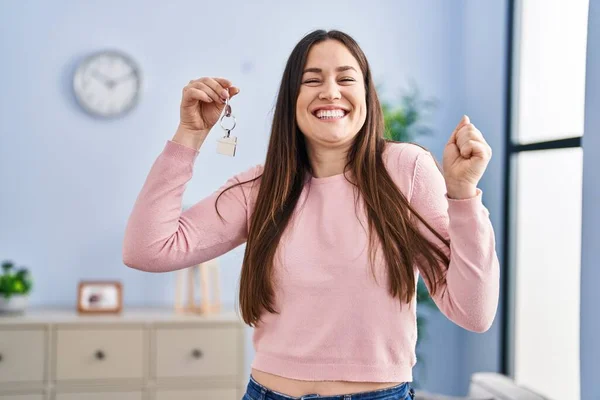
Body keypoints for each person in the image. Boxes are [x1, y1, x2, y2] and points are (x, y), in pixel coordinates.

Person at [123, 29, 499, 400]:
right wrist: (189, 134)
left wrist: (463, 196)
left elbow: (473, 312)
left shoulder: (406, 169)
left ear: (366, 95)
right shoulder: (261, 188)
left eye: (346, 78)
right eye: (312, 79)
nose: (331, 91)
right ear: (293, 99)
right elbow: (148, 249)